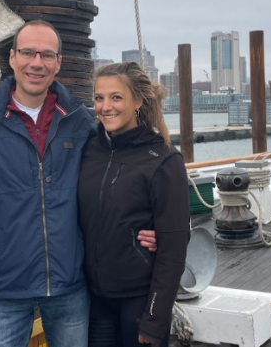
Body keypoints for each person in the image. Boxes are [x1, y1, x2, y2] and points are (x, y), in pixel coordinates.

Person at [0, 20, 155, 347]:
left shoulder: (79, 121)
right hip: (3, 289)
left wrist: (151, 223)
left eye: (47, 55)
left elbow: (116, 177)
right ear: (12, 58)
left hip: (70, 285)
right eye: (28, 53)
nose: (37, 63)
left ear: (58, 63)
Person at [78, 62, 190, 346]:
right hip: (95, 302)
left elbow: (174, 248)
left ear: (137, 101)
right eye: (99, 98)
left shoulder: (163, 160)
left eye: (116, 97)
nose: (105, 107)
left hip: (139, 303)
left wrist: (154, 319)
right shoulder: (89, 150)